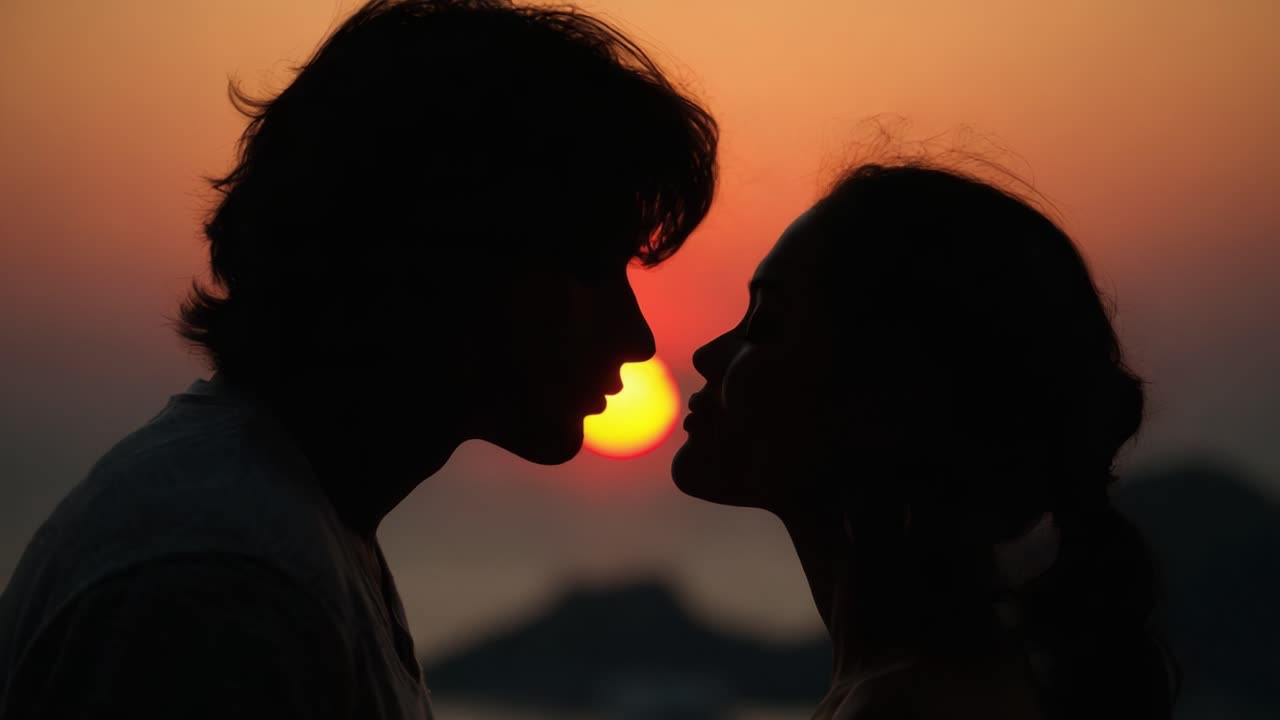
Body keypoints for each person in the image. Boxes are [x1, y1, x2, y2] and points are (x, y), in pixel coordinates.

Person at [0, 1, 716, 717]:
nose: (637, 339)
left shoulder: (286, 526)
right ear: (444, 261)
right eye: (592, 270)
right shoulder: (227, 589)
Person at [672, 162, 1176, 719]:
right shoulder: (909, 685)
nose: (706, 356)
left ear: (882, 395)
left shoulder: (908, 705)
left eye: (763, 323)